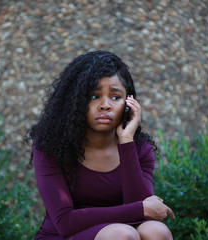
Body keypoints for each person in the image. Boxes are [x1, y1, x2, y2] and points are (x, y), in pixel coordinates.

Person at [26, 50, 175, 240]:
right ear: (76, 101)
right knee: (122, 234)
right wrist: (139, 209)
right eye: (94, 96)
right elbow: (65, 222)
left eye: (115, 97)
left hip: (120, 234)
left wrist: (126, 143)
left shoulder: (139, 149)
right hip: (62, 237)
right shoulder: (51, 147)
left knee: (156, 231)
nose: (105, 105)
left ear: (128, 104)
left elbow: (145, 215)